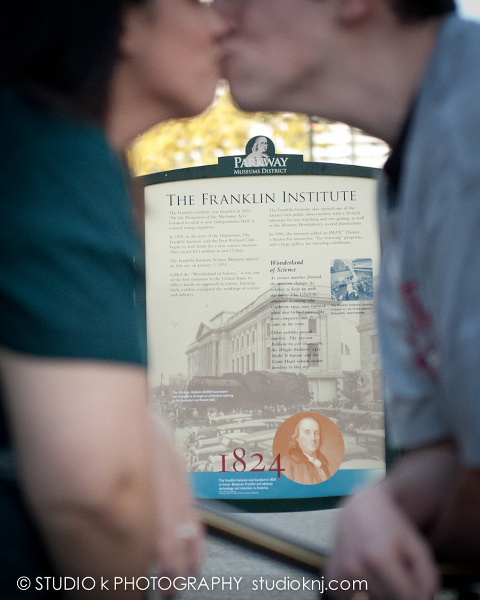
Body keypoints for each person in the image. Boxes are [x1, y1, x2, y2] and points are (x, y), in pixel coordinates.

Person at [215, 0, 480, 598]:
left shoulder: (468, 129)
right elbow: (445, 453)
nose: (216, 17)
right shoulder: (410, 161)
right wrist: (374, 508)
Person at [0, 0, 225, 597]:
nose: (220, 24)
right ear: (123, 21)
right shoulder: (51, 156)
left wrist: (143, 427)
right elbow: (100, 499)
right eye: (198, 2)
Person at [283, 417, 331, 485]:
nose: (313, 438)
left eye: (316, 433)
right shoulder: (287, 463)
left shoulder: (322, 463)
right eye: (307, 433)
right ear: (297, 437)